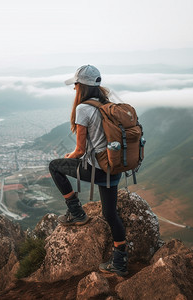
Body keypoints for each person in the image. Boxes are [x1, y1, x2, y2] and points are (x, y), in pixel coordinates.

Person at [48, 65, 128, 276]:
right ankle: (120, 262)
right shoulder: (106, 103)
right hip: (113, 166)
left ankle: (76, 212)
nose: (73, 88)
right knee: (110, 214)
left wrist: (69, 156)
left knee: (55, 167)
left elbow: (80, 150)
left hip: (97, 169)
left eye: (75, 84)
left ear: (81, 86)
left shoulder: (83, 109)